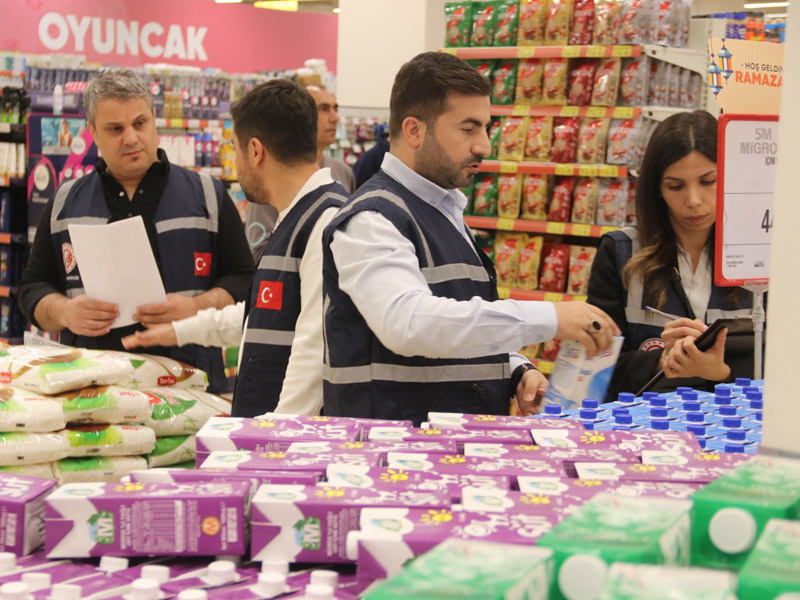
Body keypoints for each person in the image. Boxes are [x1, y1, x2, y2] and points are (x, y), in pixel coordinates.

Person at [321, 52, 619, 425]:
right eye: (469, 128)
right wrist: (548, 317)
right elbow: (409, 323)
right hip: (393, 460)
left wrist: (513, 368)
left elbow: (458, 315)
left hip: (443, 453)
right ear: (414, 131)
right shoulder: (373, 217)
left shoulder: (443, 209)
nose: (484, 146)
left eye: (486, 128)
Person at [18, 68, 254, 393]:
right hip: (92, 393)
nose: (131, 138)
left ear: (154, 119)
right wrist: (64, 311)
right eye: (115, 129)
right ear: (92, 132)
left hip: (191, 387)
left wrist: (196, 307)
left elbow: (245, 280)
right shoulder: (64, 202)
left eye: (139, 123)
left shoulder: (208, 195)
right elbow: (32, 288)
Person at [121, 80, 348, 418]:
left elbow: (314, 350)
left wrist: (274, 437)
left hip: (285, 448)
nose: (236, 163)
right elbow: (260, 315)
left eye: (235, 148)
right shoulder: (295, 217)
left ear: (255, 151)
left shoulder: (323, 221)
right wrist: (178, 331)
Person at [587, 110, 756, 401]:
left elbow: (782, 362)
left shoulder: (759, 255)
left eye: (708, 181)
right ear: (657, 189)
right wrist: (660, 360)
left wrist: (722, 373)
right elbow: (594, 362)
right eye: (675, 186)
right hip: (643, 428)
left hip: (736, 429)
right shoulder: (620, 251)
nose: (693, 201)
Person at [244, 84, 355, 261]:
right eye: (323, 109)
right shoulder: (271, 174)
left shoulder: (343, 172)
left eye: (335, 109)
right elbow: (258, 251)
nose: (334, 118)